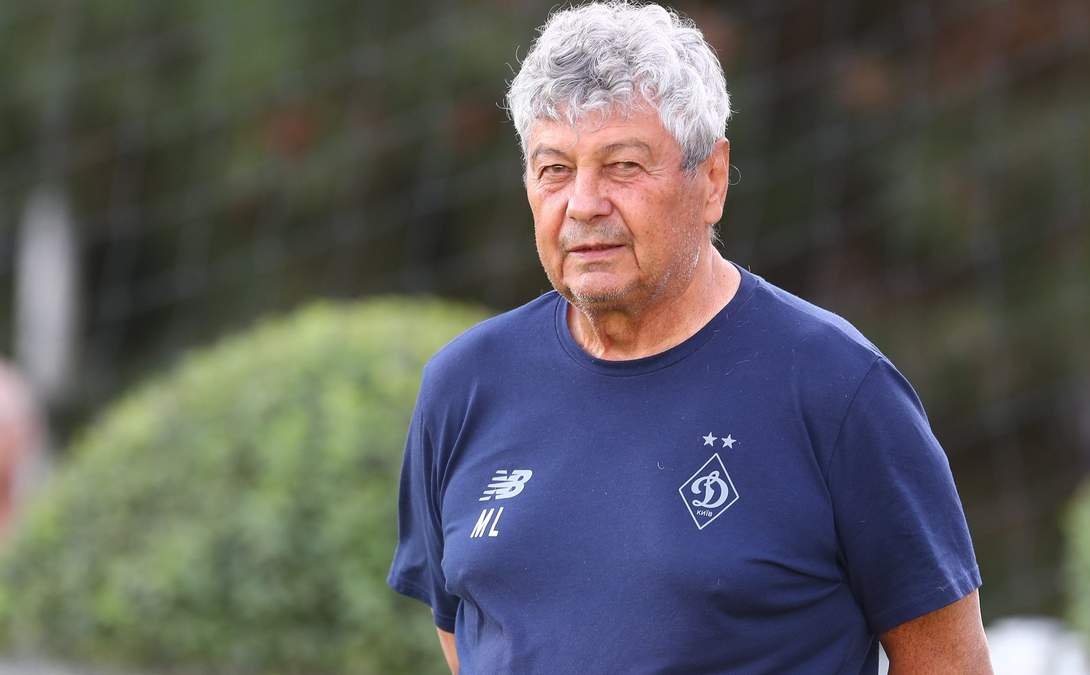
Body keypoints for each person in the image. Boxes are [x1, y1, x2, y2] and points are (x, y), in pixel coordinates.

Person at [388, 2, 992, 673]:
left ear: (711, 180)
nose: (583, 203)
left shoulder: (838, 388)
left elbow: (950, 663)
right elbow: (469, 637)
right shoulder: (464, 386)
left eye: (622, 165)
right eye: (554, 168)